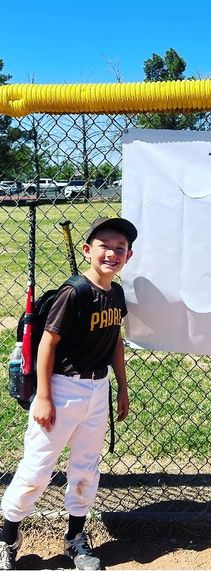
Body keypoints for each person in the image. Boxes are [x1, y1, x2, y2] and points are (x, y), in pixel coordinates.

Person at [0, 216, 138, 570]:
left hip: (97, 389)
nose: (112, 253)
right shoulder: (73, 291)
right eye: (104, 246)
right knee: (37, 469)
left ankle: (76, 539)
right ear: (88, 250)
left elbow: (115, 342)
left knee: (86, 469)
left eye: (119, 248)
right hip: (62, 388)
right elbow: (48, 343)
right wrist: (44, 396)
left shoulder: (116, 293)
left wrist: (122, 386)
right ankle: (7, 538)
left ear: (129, 256)